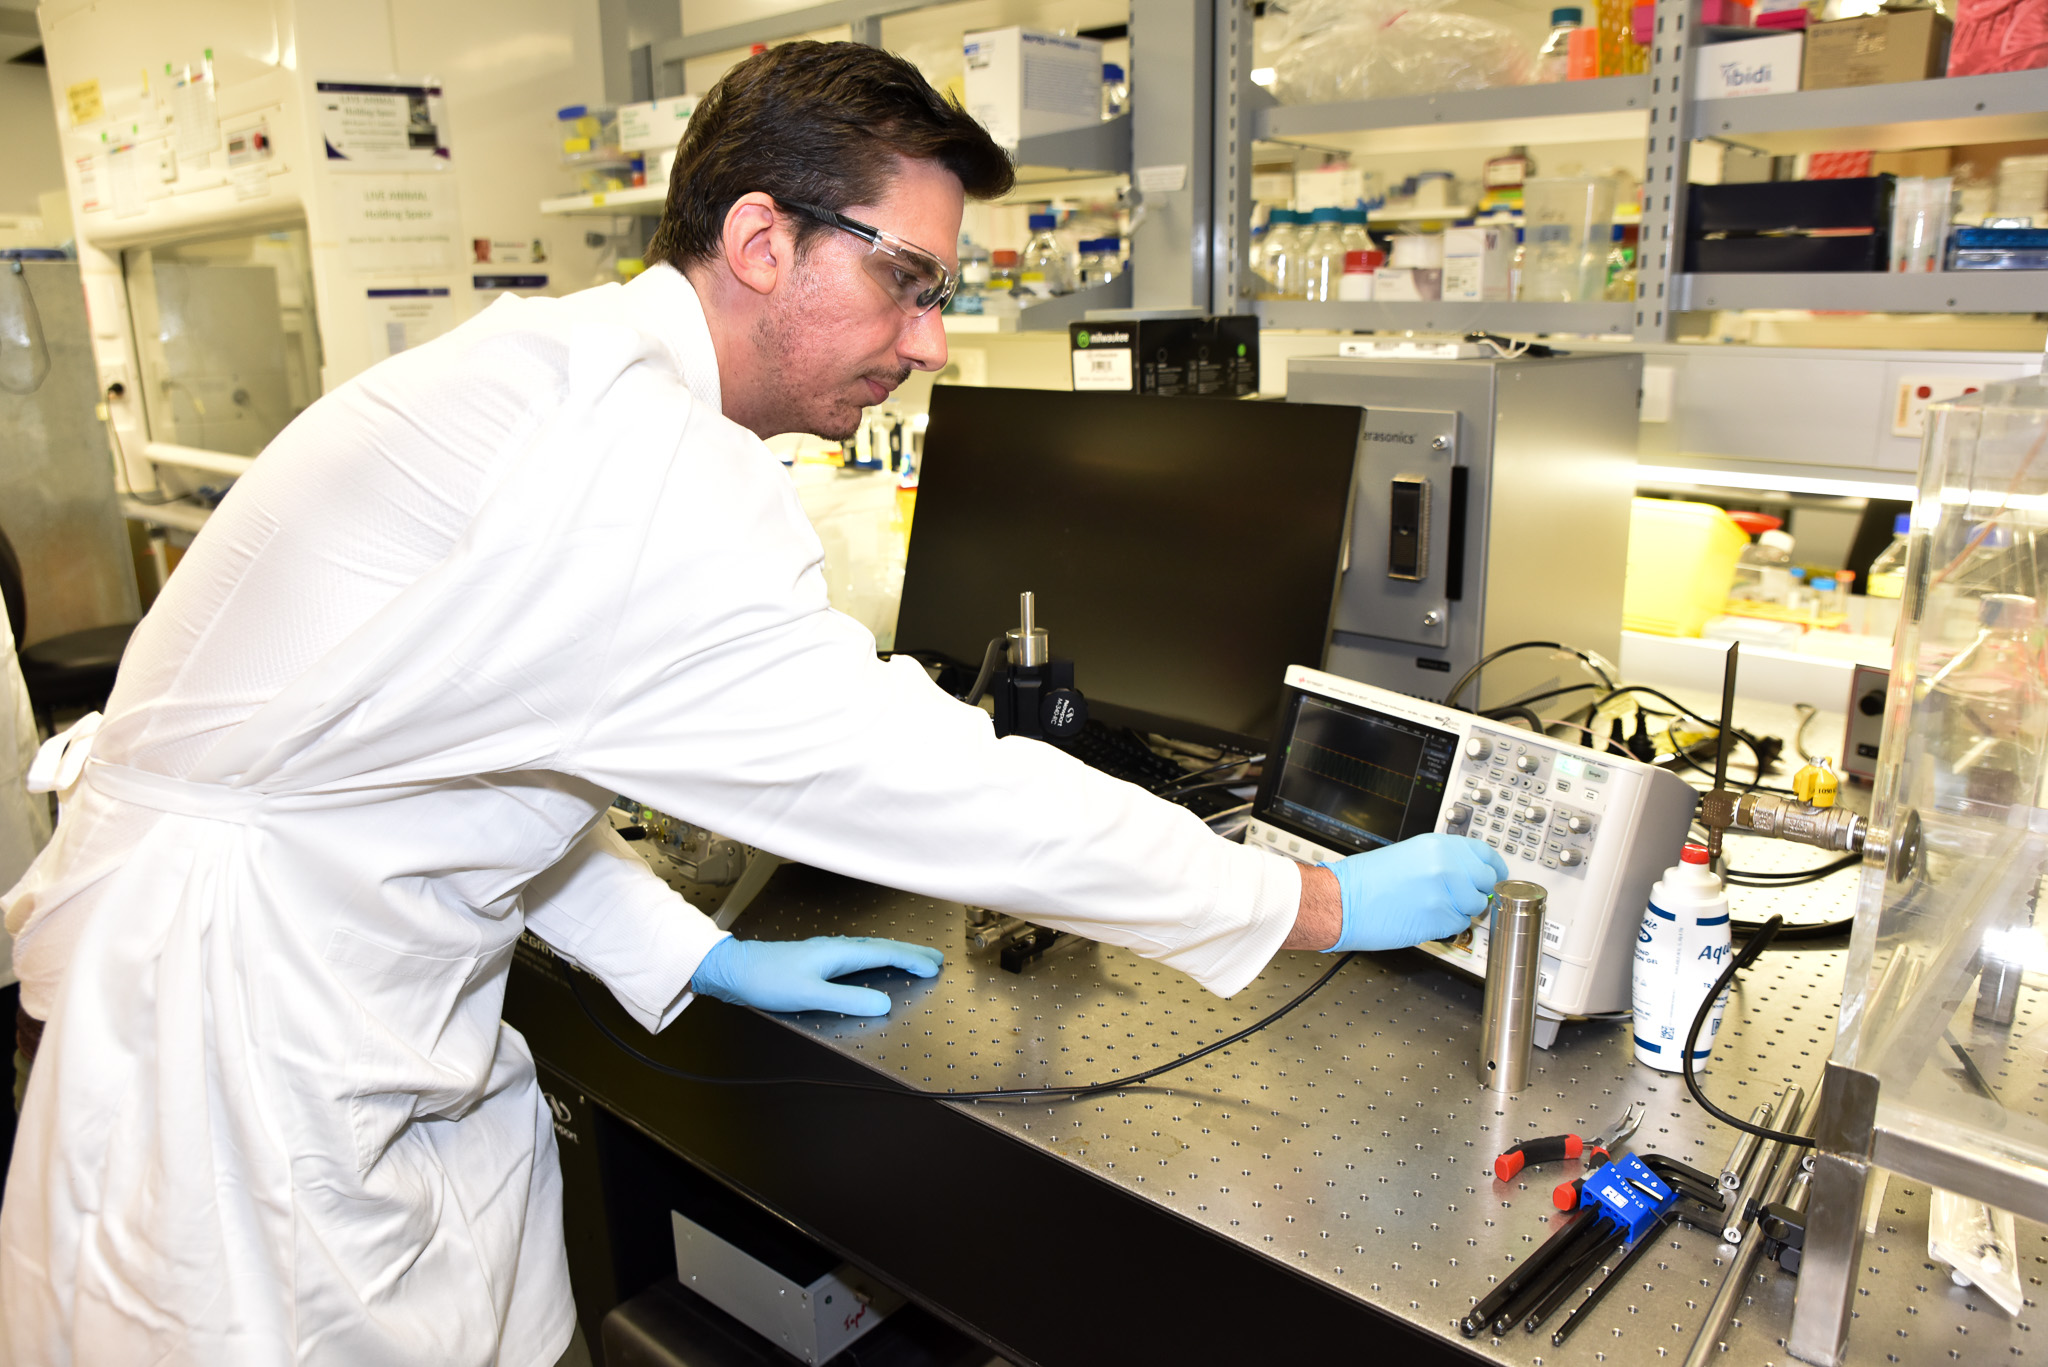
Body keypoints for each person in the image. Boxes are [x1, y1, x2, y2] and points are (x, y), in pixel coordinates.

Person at [0, 41, 1507, 1367]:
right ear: (762, 238)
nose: (928, 341)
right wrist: (1299, 900)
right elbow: (928, 779)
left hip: (303, 1003)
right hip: (240, 1079)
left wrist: (696, 950)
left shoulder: (569, 374)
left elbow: (458, 766)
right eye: (907, 280)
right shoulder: (632, 455)